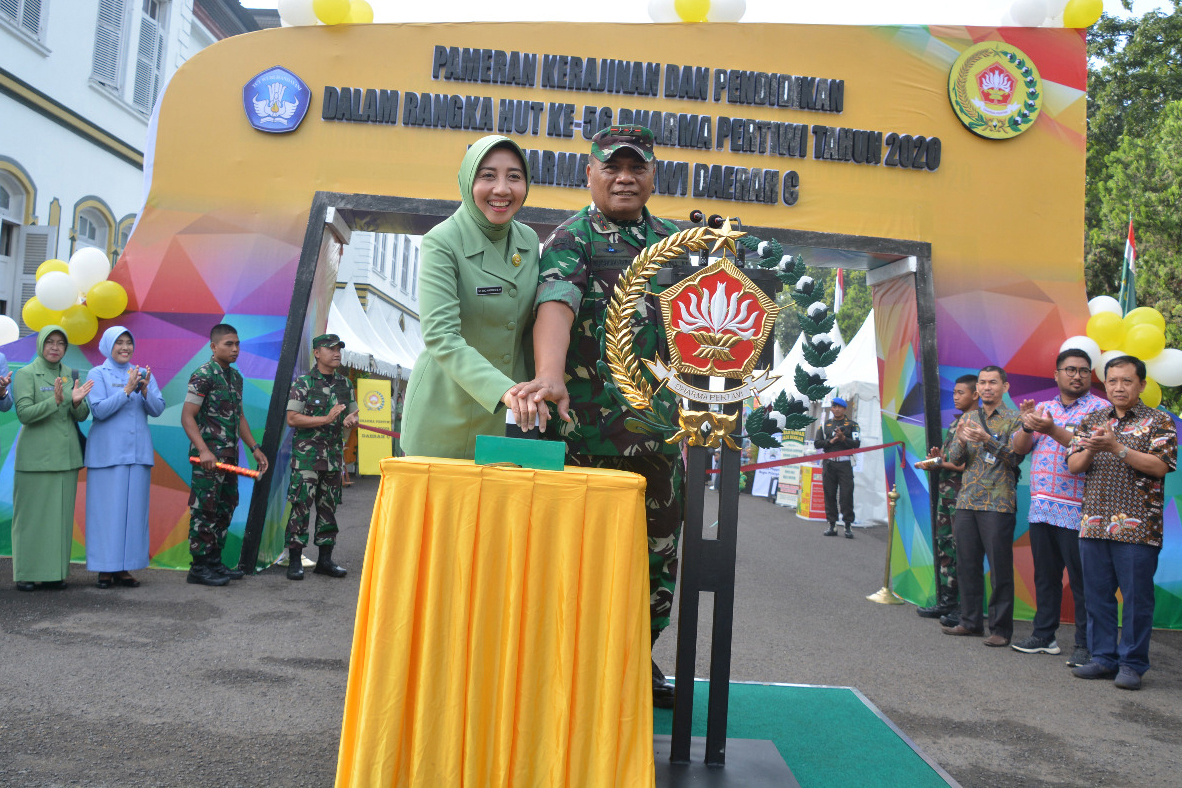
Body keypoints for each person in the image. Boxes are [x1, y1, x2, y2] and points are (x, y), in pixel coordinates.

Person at [511, 125, 686, 709]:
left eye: (636, 167)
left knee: (656, 557)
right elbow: (556, 302)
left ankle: (637, 659)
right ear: (590, 173)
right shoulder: (573, 236)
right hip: (583, 434)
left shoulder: (678, 244)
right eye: (612, 167)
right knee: (573, 558)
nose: (624, 177)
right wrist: (551, 373)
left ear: (653, 176)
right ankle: (569, 663)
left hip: (659, 437)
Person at [399, 134, 539, 459]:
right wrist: (505, 390)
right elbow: (441, 337)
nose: (502, 189)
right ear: (466, 180)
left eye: (514, 177)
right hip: (443, 417)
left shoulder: (529, 241)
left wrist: (541, 387)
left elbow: (533, 326)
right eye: (488, 175)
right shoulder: (442, 241)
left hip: (508, 423)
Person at [1067, 355, 1176, 690]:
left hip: (1139, 527)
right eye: (1112, 381)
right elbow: (1074, 465)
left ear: (1142, 384)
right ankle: (1102, 657)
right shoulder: (1093, 419)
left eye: (1126, 381)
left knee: (1136, 599)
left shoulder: (1159, 421)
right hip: (1094, 523)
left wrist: (1116, 447)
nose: (1118, 387)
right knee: (1096, 596)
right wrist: (1092, 449)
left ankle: (1132, 664)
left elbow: (1160, 466)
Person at [1010, 349, 1108, 665]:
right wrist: (1027, 426)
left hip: (1080, 509)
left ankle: (1086, 644)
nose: (1076, 375)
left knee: (1083, 582)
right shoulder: (1044, 408)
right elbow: (1018, 449)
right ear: (1056, 375)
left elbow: (1087, 449)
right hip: (1041, 506)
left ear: (1089, 375)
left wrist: (1051, 428)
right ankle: (1044, 635)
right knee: (1046, 577)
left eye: (1083, 370)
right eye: (1069, 369)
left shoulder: (1101, 410)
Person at [942, 365, 1024, 647]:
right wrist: (962, 439)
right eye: (982, 383)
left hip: (999, 502)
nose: (987, 387)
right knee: (966, 564)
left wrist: (988, 440)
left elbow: (1015, 458)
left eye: (993, 382)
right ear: (977, 388)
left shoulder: (1015, 420)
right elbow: (953, 458)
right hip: (966, 500)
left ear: (1005, 387)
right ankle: (970, 621)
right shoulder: (967, 417)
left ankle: (1000, 629)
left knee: (1000, 568)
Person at [181, 323, 269, 587]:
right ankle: (198, 567)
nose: (235, 349)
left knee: (225, 508)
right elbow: (187, 416)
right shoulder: (203, 375)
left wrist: (255, 447)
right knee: (204, 510)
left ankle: (214, 562)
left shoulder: (235, 377)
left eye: (237, 344)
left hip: (229, 458)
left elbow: (239, 417)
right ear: (213, 346)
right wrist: (204, 450)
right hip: (207, 460)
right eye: (228, 344)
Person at [11, 326, 92, 591]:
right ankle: (26, 573)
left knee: (60, 519)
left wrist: (78, 403)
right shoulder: (25, 374)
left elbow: (80, 416)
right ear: (41, 345)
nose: (55, 347)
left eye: (60, 343)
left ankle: (54, 574)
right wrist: (54, 401)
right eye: (50, 342)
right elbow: (24, 414)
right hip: (35, 458)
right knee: (31, 519)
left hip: (66, 458)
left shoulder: (71, 375)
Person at [84, 326, 166, 589]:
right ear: (108, 345)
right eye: (118, 342)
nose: (124, 348)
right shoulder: (97, 373)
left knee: (133, 513)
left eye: (128, 342)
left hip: (137, 453)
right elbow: (98, 411)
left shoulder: (143, 374)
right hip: (107, 454)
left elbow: (157, 409)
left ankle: (125, 567)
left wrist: (144, 390)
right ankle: (104, 569)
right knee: (107, 513)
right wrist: (127, 390)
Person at [283, 333, 358, 580]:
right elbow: (293, 418)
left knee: (328, 508)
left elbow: (353, 416)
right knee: (301, 507)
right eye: (331, 348)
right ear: (317, 353)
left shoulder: (344, 384)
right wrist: (325, 419)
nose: (337, 353)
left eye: (339, 349)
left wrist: (350, 420)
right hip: (307, 458)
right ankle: (295, 559)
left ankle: (325, 560)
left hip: (334, 457)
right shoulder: (303, 383)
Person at [914, 374, 977, 621]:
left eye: (961, 393)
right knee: (946, 548)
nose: (956, 397)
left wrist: (943, 463)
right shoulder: (957, 423)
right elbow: (951, 458)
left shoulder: (977, 424)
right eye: (954, 393)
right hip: (947, 495)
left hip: (965, 497)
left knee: (964, 551)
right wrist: (936, 460)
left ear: (975, 394)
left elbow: (973, 465)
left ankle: (965, 608)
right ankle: (948, 601)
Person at [814, 396, 861, 538]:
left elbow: (857, 444)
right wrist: (831, 441)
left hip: (844, 463)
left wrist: (843, 438)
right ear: (832, 408)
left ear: (844, 409)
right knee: (829, 494)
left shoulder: (852, 425)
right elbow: (817, 443)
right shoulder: (825, 425)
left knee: (846, 494)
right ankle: (832, 525)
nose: (837, 409)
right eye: (834, 407)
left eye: (840, 407)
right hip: (829, 463)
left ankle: (848, 525)